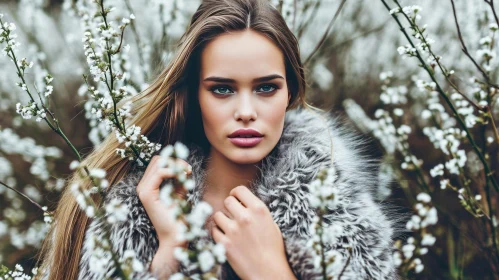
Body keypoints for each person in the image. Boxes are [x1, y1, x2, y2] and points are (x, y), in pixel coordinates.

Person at [36, 0, 399, 279]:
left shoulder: (342, 217)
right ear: (194, 94)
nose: (245, 111)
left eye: (266, 88)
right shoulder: (124, 214)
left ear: (290, 93)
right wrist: (170, 253)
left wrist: (271, 272)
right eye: (222, 89)